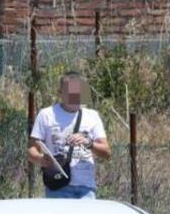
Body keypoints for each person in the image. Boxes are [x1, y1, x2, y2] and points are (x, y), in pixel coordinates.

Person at [28, 71, 111, 199]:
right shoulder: (46, 115)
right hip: (58, 186)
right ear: (60, 93)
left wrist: (88, 142)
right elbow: (32, 150)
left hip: (86, 188)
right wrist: (40, 159)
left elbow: (106, 152)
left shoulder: (92, 116)